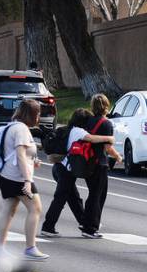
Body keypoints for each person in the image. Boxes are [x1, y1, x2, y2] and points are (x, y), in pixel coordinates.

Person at [40, 108, 114, 237]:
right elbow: (91, 138)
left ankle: (84, 224)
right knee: (60, 199)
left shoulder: (67, 130)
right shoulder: (78, 131)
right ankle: (48, 227)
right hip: (66, 170)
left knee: (73, 198)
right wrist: (109, 138)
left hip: (59, 168)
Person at [0, 100, 47, 261]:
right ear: (31, 115)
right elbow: (19, 155)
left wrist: (33, 161)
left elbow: (21, 154)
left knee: (9, 210)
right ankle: (30, 247)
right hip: (17, 177)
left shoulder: (12, 126)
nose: (39, 117)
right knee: (36, 208)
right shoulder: (22, 130)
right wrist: (27, 181)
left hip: (6, 174)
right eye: (38, 114)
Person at [80, 94, 120, 239]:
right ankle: (91, 228)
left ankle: (85, 222)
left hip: (87, 162)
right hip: (99, 163)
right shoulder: (107, 124)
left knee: (92, 194)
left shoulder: (89, 121)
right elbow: (108, 148)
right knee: (98, 196)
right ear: (106, 105)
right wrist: (118, 156)